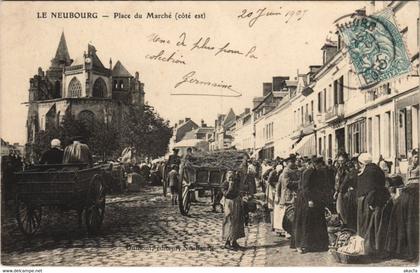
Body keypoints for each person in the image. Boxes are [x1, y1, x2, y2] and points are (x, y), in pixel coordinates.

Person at [385, 149, 419, 261]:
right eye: (414, 157)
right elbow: (405, 182)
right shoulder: (409, 168)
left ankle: (411, 251)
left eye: (418, 157)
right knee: (396, 210)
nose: (416, 159)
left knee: (410, 221)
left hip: (415, 194)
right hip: (407, 192)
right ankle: (398, 248)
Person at [356, 152, 391, 257]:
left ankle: (368, 249)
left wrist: (370, 202)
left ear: (362, 163)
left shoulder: (368, 172)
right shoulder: (377, 169)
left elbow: (371, 189)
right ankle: (374, 248)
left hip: (369, 201)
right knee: (375, 225)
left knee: (367, 225)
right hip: (379, 200)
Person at [294, 157, 329, 253]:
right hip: (306, 200)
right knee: (306, 222)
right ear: (315, 164)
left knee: (316, 222)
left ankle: (316, 244)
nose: (320, 167)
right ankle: (303, 244)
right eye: (319, 165)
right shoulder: (308, 172)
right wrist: (309, 200)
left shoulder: (317, 172)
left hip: (316, 200)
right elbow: (305, 188)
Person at [275, 154, 300, 237]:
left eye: (294, 161)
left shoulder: (294, 170)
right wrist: (299, 183)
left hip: (294, 195)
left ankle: (291, 230)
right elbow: (287, 184)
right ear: (288, 162)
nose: (294, 163)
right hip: (288, 196)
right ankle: (287, 231)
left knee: (292, 213)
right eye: (292, 162)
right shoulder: (286, 171)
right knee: (288, 214)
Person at [221, 170, 245, 250]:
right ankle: (227, 242)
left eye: (232, 177)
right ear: (226, 177)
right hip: (229, 203)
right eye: (229, 177)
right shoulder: (224, 184)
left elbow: (238, 191)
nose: (231, 179)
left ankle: (234, 241)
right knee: (229, 221)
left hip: (236, 202)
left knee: (236, 221)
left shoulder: (235, 182)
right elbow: (226, 194)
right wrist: (230, 188)